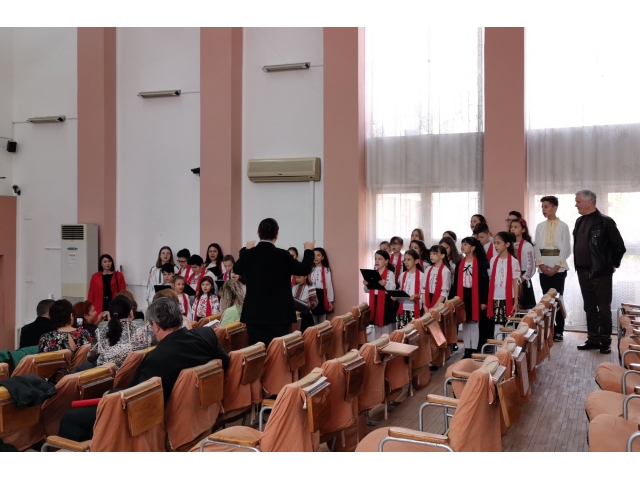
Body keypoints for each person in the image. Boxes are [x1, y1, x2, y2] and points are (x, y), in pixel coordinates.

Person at [58, 297, 230, 442]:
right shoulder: (207, 335)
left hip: (154, 418)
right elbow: (225, 363)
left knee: (70, 419)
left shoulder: (157, 358)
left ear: (155, 325)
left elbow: (136, 399)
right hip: (200, 411)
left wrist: (112, 395)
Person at [233, 218, 315, 347]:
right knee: (277, 351)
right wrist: (309, 250)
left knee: (256, 352)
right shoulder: (282, 255)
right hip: (279, 315)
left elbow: (237, 269)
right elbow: (304, 269)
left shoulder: (248, 255)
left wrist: (247, 250)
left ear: (258, 233)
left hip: (254, 314)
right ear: (277, 235)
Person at [573, 190, 626, 354]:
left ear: (589, 202)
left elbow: (619, 247)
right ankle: (593, 339)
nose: (576, 205)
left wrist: (612, 265)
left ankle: (605, 341)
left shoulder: (605, 222)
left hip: (601, 273)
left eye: (578, 201)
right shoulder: (579, 221)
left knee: (603, 309)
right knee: (589, 307)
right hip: (582, 272)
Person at [533, 195, 571, 342]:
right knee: (546, 299)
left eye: (546, 207)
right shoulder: (540, 226)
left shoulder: (563, 226)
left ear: (555, 208)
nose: (543, 209)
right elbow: (537, 247)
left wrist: (556, 266)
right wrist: (541, 265)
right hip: (543, 268)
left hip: (559, 268)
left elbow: (566, 248)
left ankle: (559, 330)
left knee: (557, 299)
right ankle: (548, 329)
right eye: (542, 207)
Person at [87, 296, 154, 370]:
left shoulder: (101, 329)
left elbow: (90, 356)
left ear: (110, 315)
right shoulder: (143, 328)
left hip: (107, 375)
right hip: (137, 374)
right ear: (131, 313)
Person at [450, 237, 489, 358]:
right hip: (463, 295)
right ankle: (467, 350)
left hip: (475, 295)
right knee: (465, 323)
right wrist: (453, 299)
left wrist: (483, 301)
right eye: (462, 244)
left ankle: (474, 349)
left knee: (474, 323)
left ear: (472, 248)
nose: (462, 246)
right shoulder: (459, 264)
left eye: (465, 244)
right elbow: (455, 283)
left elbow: (484, 283)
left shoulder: (481, 264)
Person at [487, 232, 521, 340]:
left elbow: (515, 282)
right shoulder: (493, 260)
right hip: (496, 296)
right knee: (497, 324)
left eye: (498, 243)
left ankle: (508, 347)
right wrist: (489, 298)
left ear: (507, 244)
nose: (495, 246)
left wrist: (516, 301)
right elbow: (491, 279)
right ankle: (498, 348)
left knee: (509, 324)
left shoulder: (514, 261)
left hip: (509, 297)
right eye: (494, 243)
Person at [363, 250, 396, 338]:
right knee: (376, 326)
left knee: (385, 327)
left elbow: (392, 288)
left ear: (386, 261)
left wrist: (385, 284)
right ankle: (377, 344)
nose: (377, 261)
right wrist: (366, 285)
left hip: (385, 301)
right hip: (374, 301)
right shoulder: (373, 273)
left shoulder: (390, 273)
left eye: (380, 259)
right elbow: (367, 290)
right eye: (375, 259)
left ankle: (386, 344)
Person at [393, 249, 426, 330]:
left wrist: (417, 296)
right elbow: (401, 290)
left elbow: (424, 294)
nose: (406, 262)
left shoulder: (422, 276)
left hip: (415, 308)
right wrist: (396, 296)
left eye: (409, 259)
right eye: (405, 260)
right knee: (402, 332)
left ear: (416, 261)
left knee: (414, 332)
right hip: (403, 308)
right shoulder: (402, 275)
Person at [510, 218, 537, 310]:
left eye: (516, 227)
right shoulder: (508, 245)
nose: (512, 229)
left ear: (523, 230)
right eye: (511, 227)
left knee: (524, 309)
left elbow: (531, 267)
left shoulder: (527, 246)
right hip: (511, 277)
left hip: (523, 278)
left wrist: (521, 280)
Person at [311, 247, 335, 324]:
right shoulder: (310, 269)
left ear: (322, 257)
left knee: (322, 323)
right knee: (313, 321)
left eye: (318, 255)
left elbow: (329, 285)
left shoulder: (326, 270)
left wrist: (330, 301)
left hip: (322, 296)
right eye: (314, 255)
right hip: (312, 295)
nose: (315, 257)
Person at [424, 245, 451, 310]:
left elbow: (444, 292)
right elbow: (423, 288)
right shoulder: (428, 269)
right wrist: (424, 305)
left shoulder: (445, 271)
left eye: (434, 254)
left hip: (439, 302)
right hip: (427, 298)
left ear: (442, 255)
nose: (431, 256)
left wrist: (434, 308)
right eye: (430, 254)